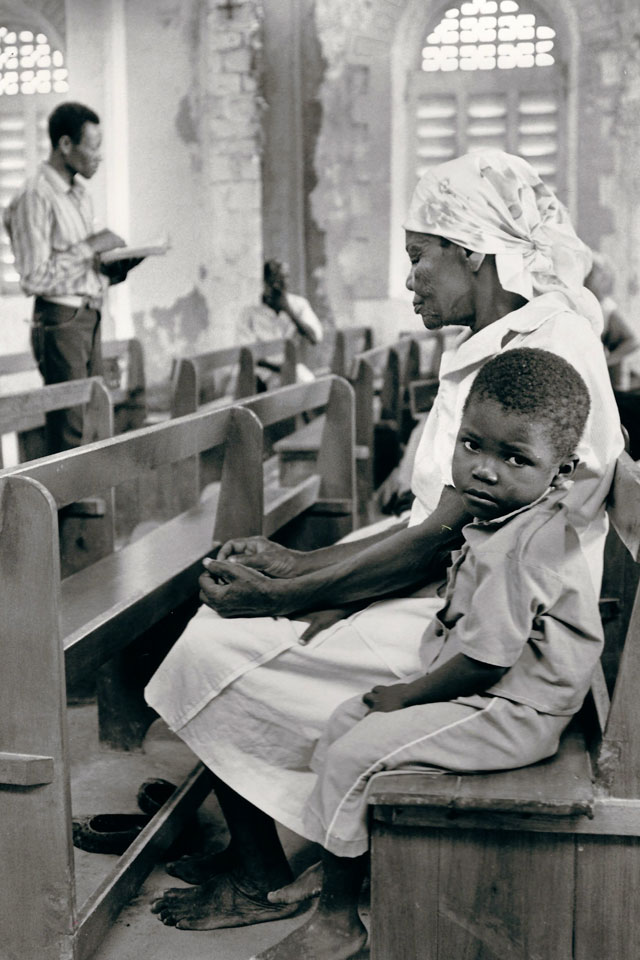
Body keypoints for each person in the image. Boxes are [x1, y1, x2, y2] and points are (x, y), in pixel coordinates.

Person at [145, 151, 622, 945]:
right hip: (474, 584)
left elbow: (446, 534)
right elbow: (437, 518)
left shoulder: (542, 348)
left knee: (218, 646)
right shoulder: (505, 331)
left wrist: (292, 589)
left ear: (471, 249)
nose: (410, 280)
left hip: (501, 623)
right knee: (245, 627)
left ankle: (264, 877)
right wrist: (298, 568)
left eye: (417, 256)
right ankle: (274, 852)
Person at [247, 347, 601, 959]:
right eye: (473, 446)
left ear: (561, 471)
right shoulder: (506, 520)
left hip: (515, 713)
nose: (485, 472)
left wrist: (407, 695)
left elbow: (487, 661)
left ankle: (338, 923)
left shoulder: (519, 548)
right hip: (494, 698)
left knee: (355, 752)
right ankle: (343, 871)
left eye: (515, 458)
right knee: (344, 723)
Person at [3, 101, 141, 451]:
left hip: (86, 315)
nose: (99, 156)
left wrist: (111, 269)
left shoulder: (78, 194)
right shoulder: (35, 196)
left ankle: (85, 504)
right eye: (93, 147)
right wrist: (91, 247)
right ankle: (67, 507)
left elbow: (77, 267)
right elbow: (34, 278)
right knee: (70, 430)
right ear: (65, 145)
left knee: (92, 423)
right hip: (60, 320)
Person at [237, 258, 323, 386]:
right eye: (275, 279)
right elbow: (247, 353)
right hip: (263, 372)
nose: (280, 284)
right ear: (265, 282)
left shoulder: (298, 305)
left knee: (309, 385)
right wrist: (279, 368)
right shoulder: (250, 312)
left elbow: (315, 337)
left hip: (292, 369)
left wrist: (288, 310)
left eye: (285, 277)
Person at [585, 251, 640, 390]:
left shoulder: (606, 308)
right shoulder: (584, 304)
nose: (587, 278)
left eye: (592, 273)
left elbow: (633, 341)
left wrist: (606, 361)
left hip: (613, 382)